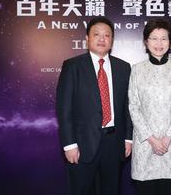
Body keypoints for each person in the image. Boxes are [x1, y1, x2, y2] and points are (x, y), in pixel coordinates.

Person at [56, 17, 132, 195]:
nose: (102, 39)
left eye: (107, 35)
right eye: (96, 34)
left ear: (112, 40)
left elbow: (128, 107)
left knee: (111, 190)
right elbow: (64, 108)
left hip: (114, 143)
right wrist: (69, 144)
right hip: (82, 144)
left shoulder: (123, 68)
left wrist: (128, 138)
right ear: (87, 39)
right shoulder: (72, 66)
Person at [128, 19, 171, 195]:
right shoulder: (137, 70)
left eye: (164, 38)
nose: (159, 44)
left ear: (170, 42)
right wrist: (152, 140)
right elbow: (134, 106)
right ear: (146, 42)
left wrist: (168, 138)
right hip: (145, 144)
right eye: (154, 38)